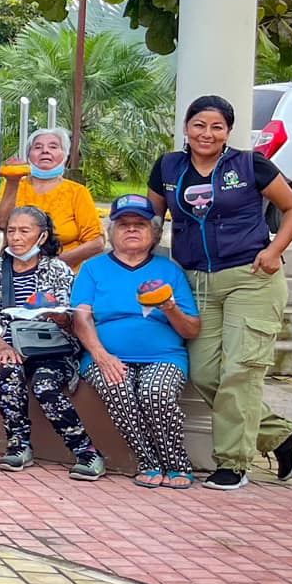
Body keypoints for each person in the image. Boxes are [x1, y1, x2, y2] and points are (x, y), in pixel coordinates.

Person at [147, 94, 292, 488]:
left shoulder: (251, 165)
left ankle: (233, 464)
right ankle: (280, 434)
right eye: (199, 125)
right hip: (196, 281)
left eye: (217, 126)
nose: (207, 133)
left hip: (250, 278)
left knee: (240, 370)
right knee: (204, 372)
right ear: (186, 127)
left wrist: (274, 250)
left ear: (228, 132)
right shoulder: (168, 167)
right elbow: (152, 219)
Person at [72, 194, 203, 488]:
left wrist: (169, 308)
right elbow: (81, 319)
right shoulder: (93, 268)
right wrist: (102, 355)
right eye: (123, 224)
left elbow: (192, 329)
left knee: (155, 392)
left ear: (153, 233)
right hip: (105, 355)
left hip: (163, 356)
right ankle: (149, 461)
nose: (131, 229)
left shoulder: (169, 270)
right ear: (112, 232)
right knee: (117, 387)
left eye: (140, 224)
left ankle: (176, 463)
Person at [0, 206, 97, 477]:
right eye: (11, 231)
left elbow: (72, 317)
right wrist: (1, 346)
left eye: (24, 231)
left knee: (44, 384)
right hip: (8, 345)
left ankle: (86, 452)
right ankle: (19, 445)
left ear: (42, 236)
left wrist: (59, 317)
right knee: (7, 369)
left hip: (52, 347)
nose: (16, 237)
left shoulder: (58, 269)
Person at [0, 129, 104, 267]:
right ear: (29, 155)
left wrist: (55, 265)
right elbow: (2, 223)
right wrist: (12, 181)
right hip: (16, 269)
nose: (45, 151)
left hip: (65, 271)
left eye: (53, 147)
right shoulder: (14, 184)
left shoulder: (77, 192)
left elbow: (97, 243)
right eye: (38, 147)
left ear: (65, 155)